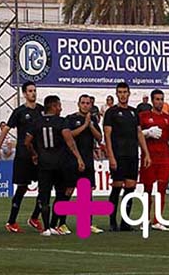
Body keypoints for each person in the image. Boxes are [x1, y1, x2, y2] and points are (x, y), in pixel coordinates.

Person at [25, 94, 85, 236]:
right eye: (59, 105)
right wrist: (79, 158)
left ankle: (46, 228)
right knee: (61, 195)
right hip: (60, 163)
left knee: (44, 195)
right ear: (53, 106)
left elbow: (27, 142)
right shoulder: (61, 122)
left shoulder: (36, 122)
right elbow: (70, 141)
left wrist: (34, 153)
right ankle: (53, 225)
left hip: (44, 164)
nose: (61, 108)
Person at [0, 81, 44, 233]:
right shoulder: (19, 112)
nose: (33, 93)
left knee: (45, 186)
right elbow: (6, 129)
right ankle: (11, 221)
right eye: (30, 91)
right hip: (23, 154)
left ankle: (34, 218)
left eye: (34, 90)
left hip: (40, 154)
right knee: (22, 187)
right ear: (24, 94)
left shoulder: (42, 110)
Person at [104, 82, 151, 232]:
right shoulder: (111, 112)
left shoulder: (133, 112)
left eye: (125, 92)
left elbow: (139, 133)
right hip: (118, 155)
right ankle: (112, 221)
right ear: (117, 94)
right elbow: (107, 135)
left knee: (130, 188)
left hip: (132, 155)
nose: (123, 94)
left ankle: (125, 222)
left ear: (129, 93)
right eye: (120, 92)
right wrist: (111, 156)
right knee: (117, 187)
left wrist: (146, 153)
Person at [139, 89, 169, 232]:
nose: (160, 102)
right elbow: (136, 135)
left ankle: (157, 220)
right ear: (152, 101)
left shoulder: (167, 118)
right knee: (147, 189)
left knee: (162, 188)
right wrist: (146, 133)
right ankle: (145, 219)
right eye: (157, 99)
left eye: (162, 99)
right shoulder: (143, 116)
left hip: (164, 157)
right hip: (149, 157)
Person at [65, 94, 103, 234]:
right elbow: (68, 135)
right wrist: (84, 126)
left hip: (87, 160)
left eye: (88, 103)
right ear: (78, 104)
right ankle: (60, 223)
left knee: (86, 194)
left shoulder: (92, 119)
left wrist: (90, 125)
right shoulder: (71, 118)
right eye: (83, 103)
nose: (85, 105)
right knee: (68, 191)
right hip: (72, 160)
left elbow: (99, 138)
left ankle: (87, 223)